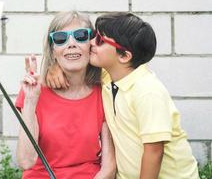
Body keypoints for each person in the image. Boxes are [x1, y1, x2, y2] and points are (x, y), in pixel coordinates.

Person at [46, 12, 199, 178]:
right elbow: (73, 65)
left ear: (124, 56)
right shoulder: (109, 77)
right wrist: (55, 68)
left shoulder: (147, 91)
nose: (91, 43)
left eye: (99, 41)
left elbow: (154, 151)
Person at [15, 11, 116, 179]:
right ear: (53, 50)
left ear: (91, 45)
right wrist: (31, 101)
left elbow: (108, 168)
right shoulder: (35, 90)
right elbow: (26, 161)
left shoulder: (103, 90)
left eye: (80, 35)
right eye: (61, 38)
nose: (71, 43)